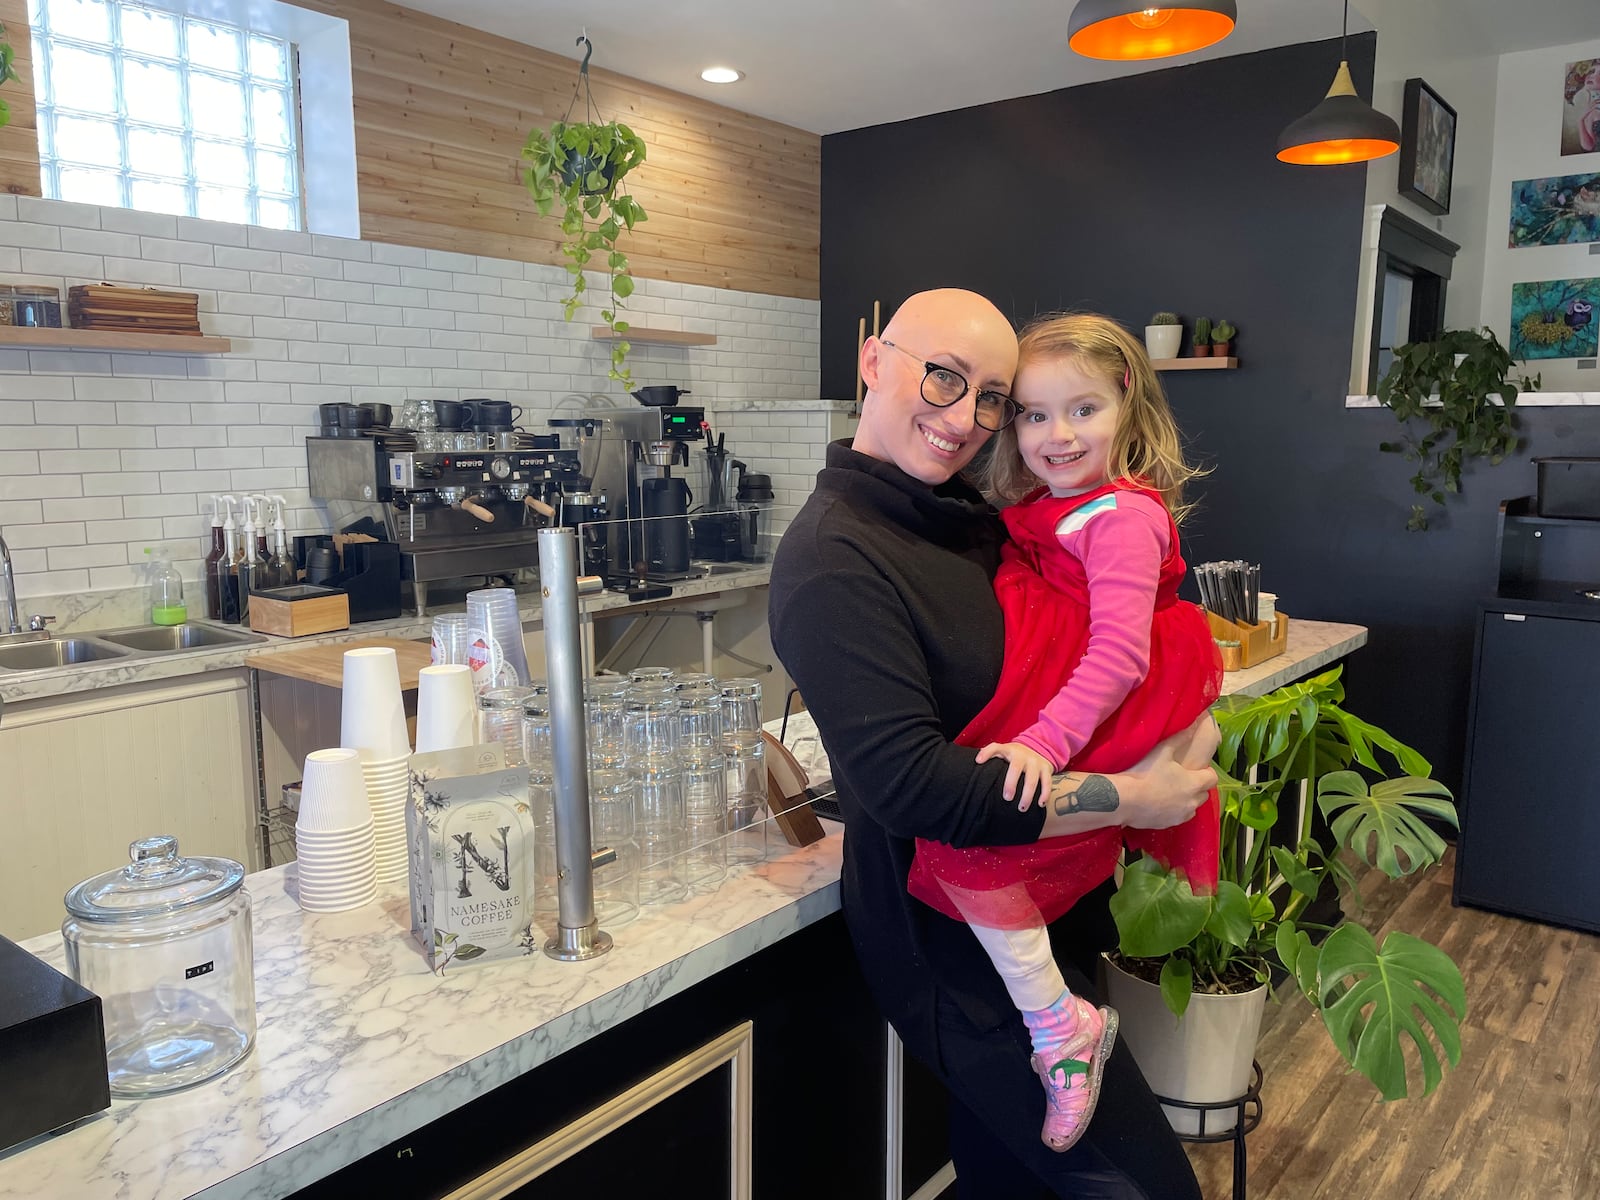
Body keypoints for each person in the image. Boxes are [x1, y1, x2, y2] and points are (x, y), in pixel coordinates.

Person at [769, 288, 1217, 1199]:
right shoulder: (834, 559)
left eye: (989, 399)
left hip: (1041, 920)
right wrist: (1138, 796)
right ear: (871, 363)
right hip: (955, 955)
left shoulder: (966, 516)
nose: (964, 418)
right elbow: (915, 791)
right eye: (943, 377)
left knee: (1010, 1184)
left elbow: (1101, 636)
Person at [903, 312, 1223, 1154]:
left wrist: (1042, 744)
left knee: (972, 849)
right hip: (1076, 697)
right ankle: (1058, 1021)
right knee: (988, 854)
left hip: (1102, 701)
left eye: (1082, 409)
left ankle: (1057, 1025)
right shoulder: (1063, 507)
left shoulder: (1117, 516)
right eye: (1035, 415)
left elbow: (1117, 654)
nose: (1058, 433)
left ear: (1128, 405)